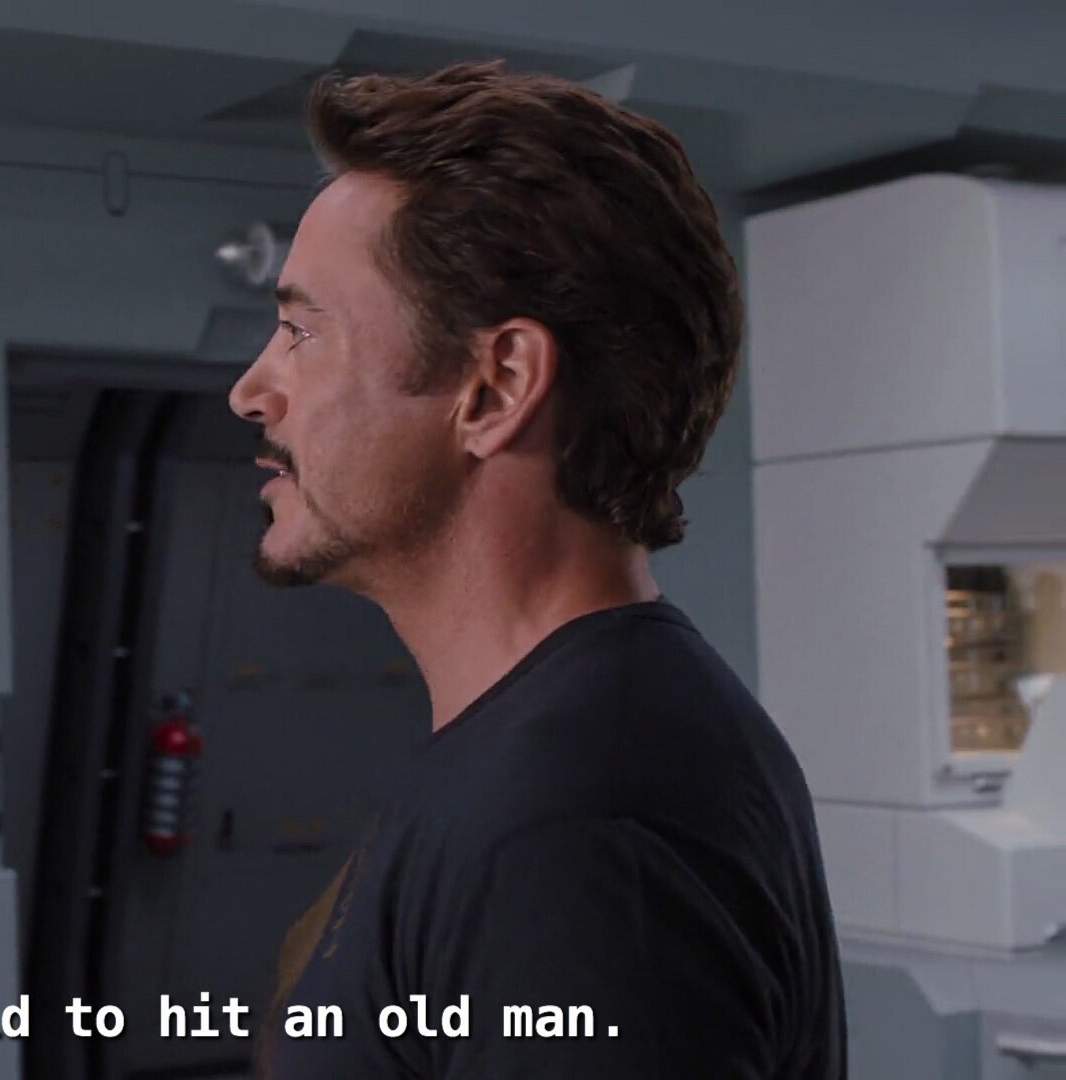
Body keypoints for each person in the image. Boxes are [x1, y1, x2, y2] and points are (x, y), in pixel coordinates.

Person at [231, 63, 844, 1078]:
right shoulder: (542, 750)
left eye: (301, 333)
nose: (253, 390)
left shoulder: (580, 818)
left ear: (496, 387)